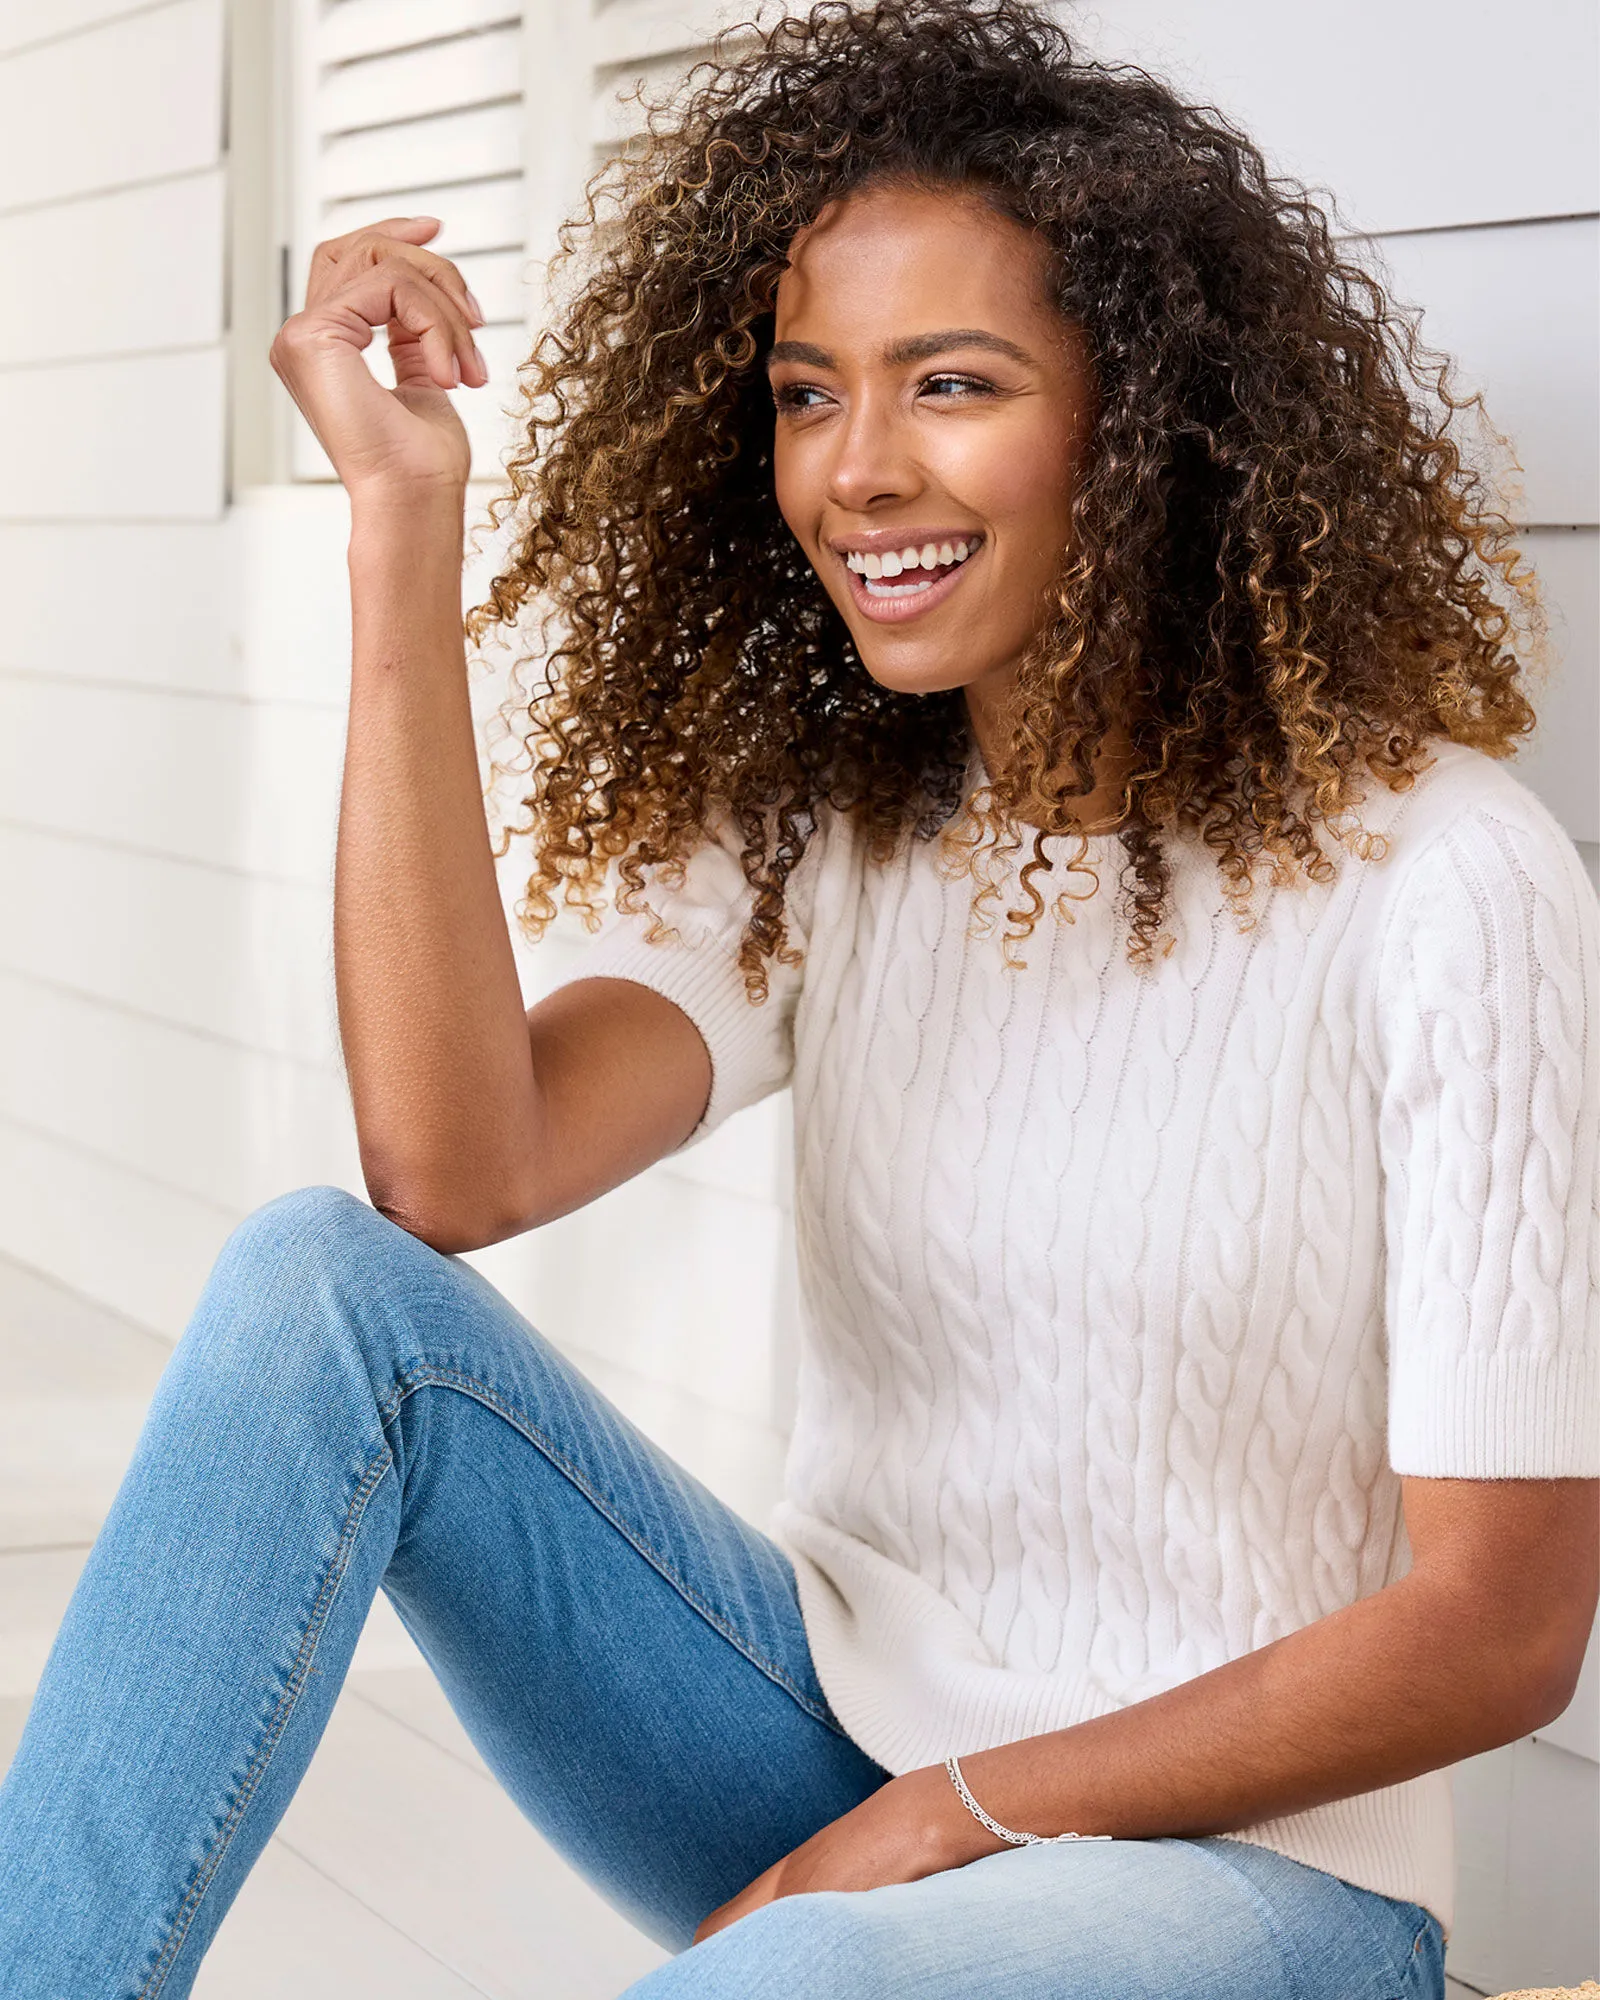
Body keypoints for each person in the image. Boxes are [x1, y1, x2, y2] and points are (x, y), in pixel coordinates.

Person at [1, 3, 1594, 1994]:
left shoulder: (1445, 884)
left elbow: (1496, 1629)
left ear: (1149, 414)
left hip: (1250, 1877)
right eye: (802, 392)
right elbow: (448, 1167)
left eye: (950, 384)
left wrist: (953, 1814)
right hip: (814, 1735)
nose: (853, 472)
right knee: (315, 1292)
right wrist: (403, 523)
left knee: (787, 1982)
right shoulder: (835, 829)